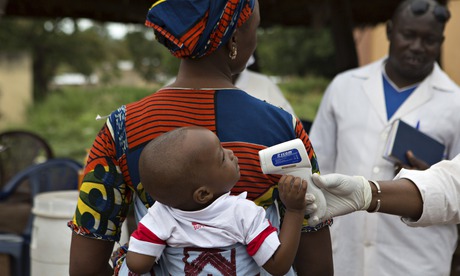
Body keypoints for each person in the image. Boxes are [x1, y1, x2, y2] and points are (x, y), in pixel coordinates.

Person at [68, 1, 333, 275]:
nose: (255, 39)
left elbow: (85, 266)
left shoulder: (123, 129)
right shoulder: (282, 129)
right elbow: (317, 265)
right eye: (255, 28)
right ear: (233, 40)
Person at [308, 0, 460, 275]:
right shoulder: (344, 86)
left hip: (418, 259)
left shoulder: (455, 102)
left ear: (441, 41)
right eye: (408, 35)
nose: (416, 46)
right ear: (390, 31)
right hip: (345, 252)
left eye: (429, 40)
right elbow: (318, 165)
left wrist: (429, 179)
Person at [125, 126, 310, 275]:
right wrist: (294, 211)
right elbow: (278, 266)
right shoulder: (242, 212)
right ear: (203, 194)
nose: (230, 153)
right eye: (222, 157)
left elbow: (137, 264)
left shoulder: (161, 214)